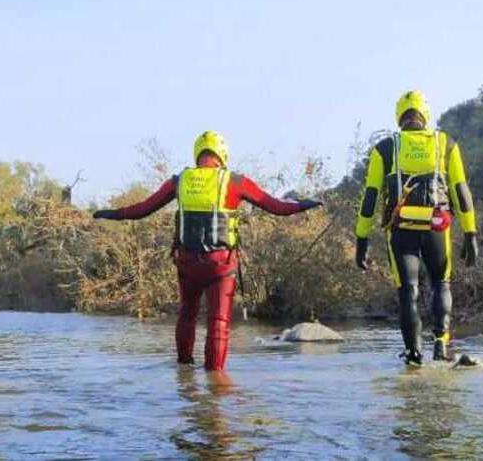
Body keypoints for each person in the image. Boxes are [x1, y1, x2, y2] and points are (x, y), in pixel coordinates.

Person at [92, 131, 322, 371]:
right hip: (220, 265)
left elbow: (143, 209)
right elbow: (277, 207)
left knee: (187, 315)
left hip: (187, 262)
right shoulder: (234, 182)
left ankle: (184, 373)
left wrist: (112, 213)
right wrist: (304, 205)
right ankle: (215, 383)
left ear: (197, 153)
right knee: (218, 323)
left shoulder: (180, 180)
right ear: (222, 155)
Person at [354, 90, 479, 366]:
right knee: (440, 282)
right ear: (425, 114)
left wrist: (361, 238)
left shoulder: (385, 148)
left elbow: (371, 196)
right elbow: (460, 190)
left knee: (408, 290)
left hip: (400, 230)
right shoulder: (445, 143)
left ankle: (413, 354)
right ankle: (440, 344)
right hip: (437, 228)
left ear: (400, 116)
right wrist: (471, 233)